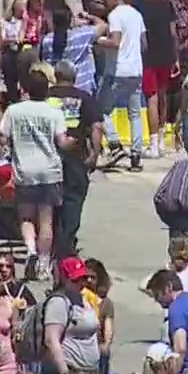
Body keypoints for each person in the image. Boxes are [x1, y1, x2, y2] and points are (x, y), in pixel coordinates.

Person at [0, 66, 72, 280]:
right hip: (49, 170)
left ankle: (30, 249)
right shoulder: (54, 112)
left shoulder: (14, 110)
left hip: (25, 170)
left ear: (27, 89)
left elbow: (2, 136)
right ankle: (43, 261)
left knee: (26, 217)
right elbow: (61, 142)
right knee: (46, 220)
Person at [48, 60, 104, 259]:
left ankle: (53, 243)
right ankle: (67, 243)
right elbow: (96, 127)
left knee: (50, 204)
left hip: (48, 156)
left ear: (56, 76)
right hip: (75, 156)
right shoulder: (85, 98)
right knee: (73, 200)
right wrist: (94, 154)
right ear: (74, 77)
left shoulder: (45, 97)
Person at [96, 0, 148, 171]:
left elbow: (115, 41)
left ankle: (115, 144)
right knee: (134, 114)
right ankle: (136, 155)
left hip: (117, 70)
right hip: (136, 70)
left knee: (102, 109)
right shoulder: (136, 14)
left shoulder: (115, 15)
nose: (103, 3)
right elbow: (144, 43)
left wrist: (98, 40)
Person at [40, 257, 103, 374]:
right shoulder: (59, 302)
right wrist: (65, 373)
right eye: (75, 280)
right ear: (64, 279)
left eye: (83, 278)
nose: (81, 283)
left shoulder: (85, 299)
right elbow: (51, 340)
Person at [136, 0, 179, 158]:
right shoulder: (165, 4)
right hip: (166, 53)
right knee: (163, 96)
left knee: (151, 98)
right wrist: (175, 56)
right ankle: (161, 139)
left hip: (148, 56)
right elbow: (173, 32)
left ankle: (153, 142)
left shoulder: (138, 7)